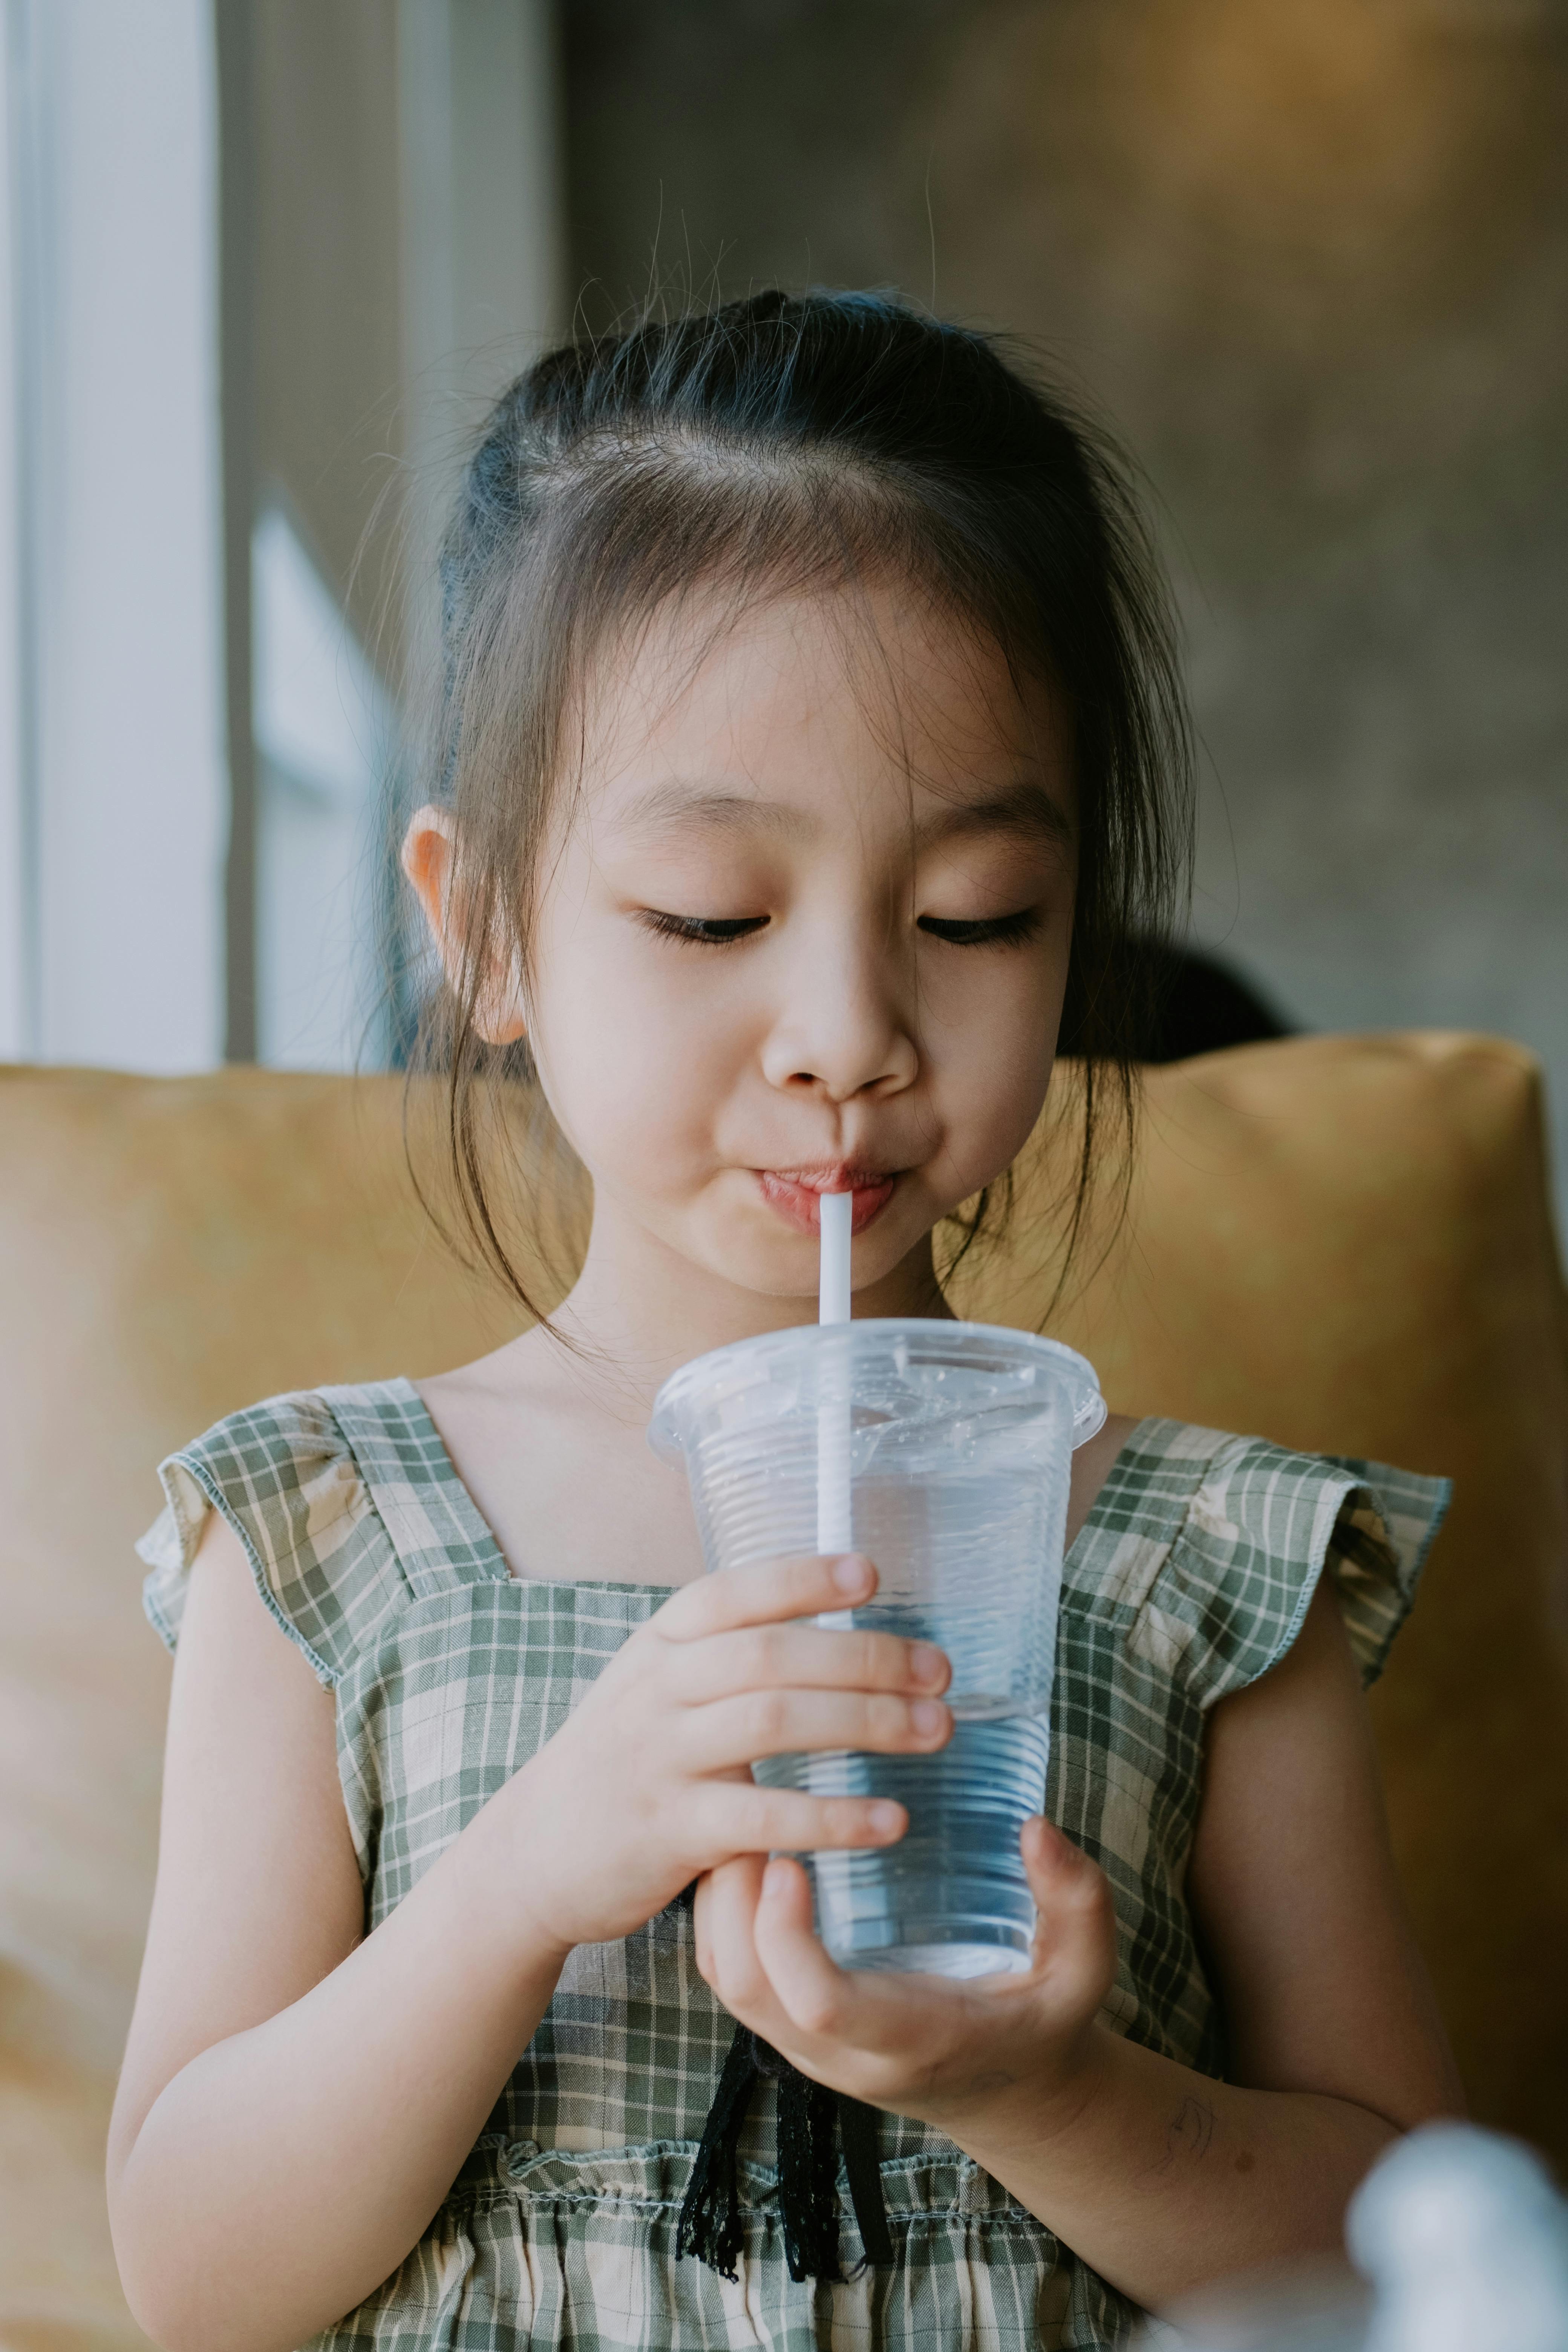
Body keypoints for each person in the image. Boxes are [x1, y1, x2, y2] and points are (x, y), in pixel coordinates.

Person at [106, 291, 1461, 2352]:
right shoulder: (321, 1536)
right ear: (483, 930)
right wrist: (520, 1880)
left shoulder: (1213, 1571)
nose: (848, 1036)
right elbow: (192, 2276)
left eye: (973, 921)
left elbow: (1421, 2257)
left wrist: (1043, 2089)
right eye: (714, 918)